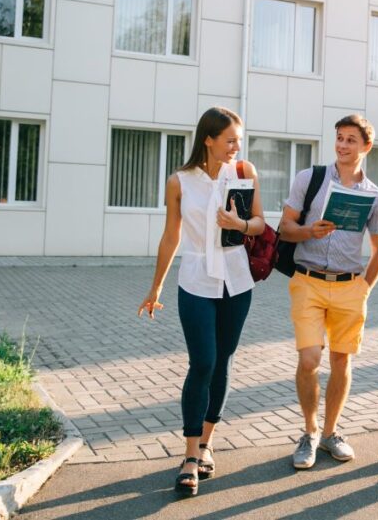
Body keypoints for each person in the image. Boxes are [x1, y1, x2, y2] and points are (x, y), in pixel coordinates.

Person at [138, 106, 265, 496]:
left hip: (237, 280)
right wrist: (155, 286)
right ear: (208, 139)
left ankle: (207, 443)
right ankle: (190, 454)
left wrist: (239, 225)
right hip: (195, 279)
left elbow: (260, 223)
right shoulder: (179, 181)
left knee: (223, 361)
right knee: (203, 362)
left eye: (239, 141)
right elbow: (171, 236)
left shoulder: (244, 173)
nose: (235, 147)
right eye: (229, 140)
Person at [279, 114, 378, 469]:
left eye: (350, 140)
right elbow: (284, 229)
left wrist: (364, 289)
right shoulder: (309, 179)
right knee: (309, 359)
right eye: (339, 138)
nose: (342, 145)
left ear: (366, 146)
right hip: (308, 280)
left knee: (342, 361)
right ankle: (309, 433)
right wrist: (310, 232)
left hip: (348, 287)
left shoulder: (374, 196)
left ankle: (330, 433)